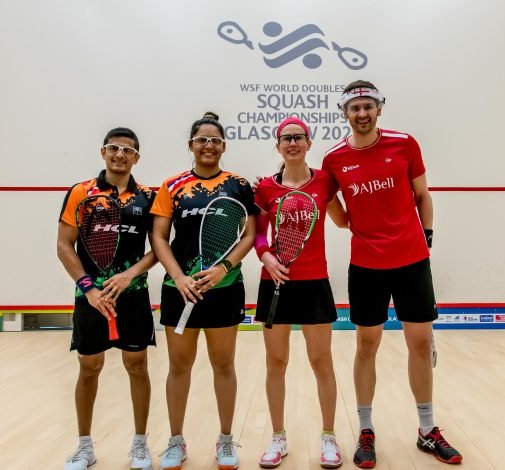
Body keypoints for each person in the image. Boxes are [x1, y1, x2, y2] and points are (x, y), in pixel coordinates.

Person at [322, 81, 463, 467]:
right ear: (345, 113)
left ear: (379, 109)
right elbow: (332, 206)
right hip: (366, 265)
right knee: (366, 346)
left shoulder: (405, 144)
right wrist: (345, 218)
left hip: (412, 261)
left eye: (368, 106)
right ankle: (366, 429)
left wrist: (425, 240)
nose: (362, 113)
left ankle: (427, 429)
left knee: (419, 344)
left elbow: (423, 196)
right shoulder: (335, 159)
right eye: (355, 108)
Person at [150, 112, 258, 470]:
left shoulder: (239, 185)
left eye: (214, 140)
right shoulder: (172, 186)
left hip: (225, 288)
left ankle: (226, 440)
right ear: (191, 145)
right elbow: (159, 238)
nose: (208, 146)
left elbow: (250, 234)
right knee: (179, 366)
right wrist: (179, 277)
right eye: (202, 140)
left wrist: (222, 268)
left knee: (223, 364)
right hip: (178, 289)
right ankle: (176, 442)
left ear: (223, 146)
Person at [57, 127, 158, 470]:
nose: (120, 154)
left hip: (134, 296)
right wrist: (89, 288)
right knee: (89, 368)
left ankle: (140, 445)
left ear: (136, 158)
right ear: (103, 152)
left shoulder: (148, 196)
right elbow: (63, 245)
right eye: (114, 148)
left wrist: (130, 274)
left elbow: (158, 249)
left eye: (127, 150)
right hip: (91, 297)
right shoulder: (81, 192)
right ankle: (84, 446)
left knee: (138, 366)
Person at [253, 117, 346, 468]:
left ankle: (329, 437)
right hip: (274, 282)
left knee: (321, 362)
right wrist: (266, 257)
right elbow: (260, 234)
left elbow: (341, 219)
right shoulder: (265, 188)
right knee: (276, 363)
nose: (292, 143)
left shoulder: (324, 181)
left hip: (314, 283)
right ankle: (278, 438)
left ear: (308, 143)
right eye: (286, 138)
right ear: (278, 146)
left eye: (299, 138)